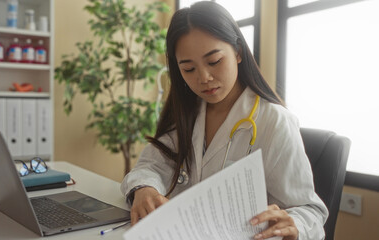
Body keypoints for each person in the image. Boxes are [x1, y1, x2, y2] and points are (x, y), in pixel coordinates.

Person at [121, 1, 328, 239]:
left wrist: (294, 226)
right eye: (188, 69)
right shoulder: (186, 113)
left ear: (238, 52)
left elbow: (310, 211)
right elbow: (150, 166)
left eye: (214, 61)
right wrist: (143, 187)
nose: (204, 78)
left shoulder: (275, 122)